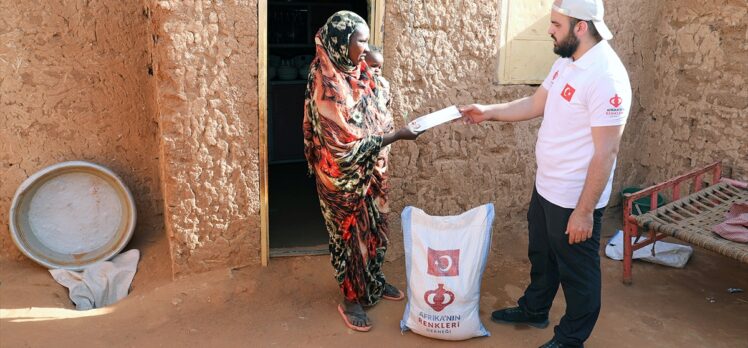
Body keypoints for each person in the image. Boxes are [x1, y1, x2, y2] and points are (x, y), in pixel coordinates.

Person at [460, 0, 631, 347]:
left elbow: (606, 151)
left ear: (580, 27)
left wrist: (584, 212)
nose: (549, 29)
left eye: (556, 23)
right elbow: (536, 104)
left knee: (578, 276)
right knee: (543, 255)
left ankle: (570, 339)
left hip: (574, 199)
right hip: (547, 188)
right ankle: (535, 309)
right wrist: (487, 112)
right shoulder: (567, 61)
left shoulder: (606, 78)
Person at [302, 11, 422, 332]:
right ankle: (351, 298)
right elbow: (341, 145)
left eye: (369, 41)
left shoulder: (359, 70)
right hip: (343, 177)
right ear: (342, 42)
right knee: (351, 236)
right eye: (362, 41)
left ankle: (373, 281)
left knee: (375, 228)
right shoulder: (326, 81)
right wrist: (395, 135)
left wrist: (373, 63)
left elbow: (379, 98)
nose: (367, 49)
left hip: (372, 168)